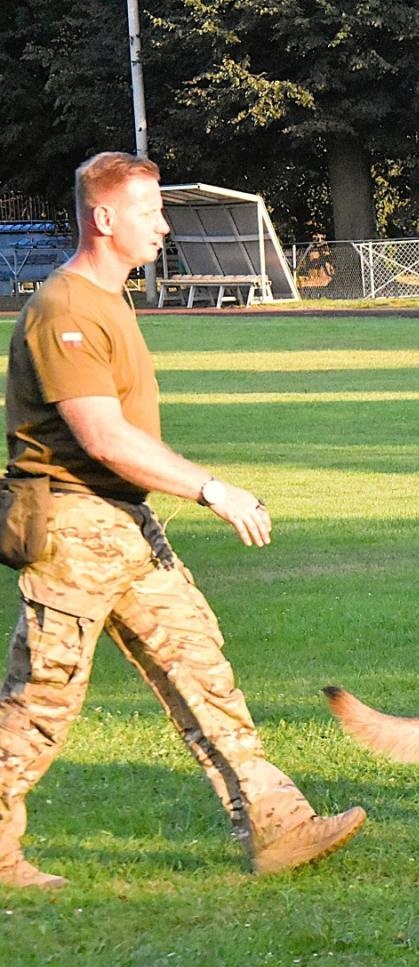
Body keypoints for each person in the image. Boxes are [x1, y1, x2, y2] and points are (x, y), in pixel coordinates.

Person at [0, 152, 365, 889]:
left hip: (123, 524)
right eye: (148, 211)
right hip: (72, 525)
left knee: (204, 673)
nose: (164, 225)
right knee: (41, 702)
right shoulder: (65, 309)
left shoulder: (110, 300)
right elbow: (102, 436)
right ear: (104, 218)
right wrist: (212, 489)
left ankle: (278, 825)